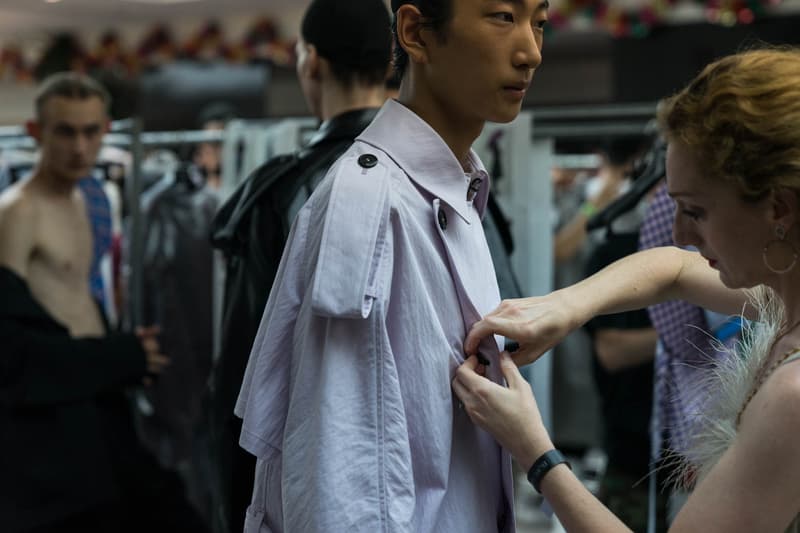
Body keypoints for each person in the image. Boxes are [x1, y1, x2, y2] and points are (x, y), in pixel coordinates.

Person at [455, 47, 800, 532]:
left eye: (696, 211)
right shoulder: (786, 295)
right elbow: (673, 270)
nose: (681, 234)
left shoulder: (793, 396)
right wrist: (565, 306)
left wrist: (534, 451)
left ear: (778, 209)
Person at [234, 0, 548, 531]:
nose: (531, 51)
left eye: (539, 23)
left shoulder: (453, 190)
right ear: (415, 32)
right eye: (502, 16)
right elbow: (346, 487)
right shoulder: (374, 205)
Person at [207, 1, 391, 532]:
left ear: (310, 62)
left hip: (304, 480)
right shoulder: (447, 180)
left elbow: (242, 386)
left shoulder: (281, 193)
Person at [0, 72, 204, 533]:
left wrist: (124, 353)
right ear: (37, 133)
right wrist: (118, 356)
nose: (79, 147)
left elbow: (78, 301)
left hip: (96, 400)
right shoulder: (17, 213)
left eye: (91, 132)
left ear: (106, 131)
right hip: (51, 421)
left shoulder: (88, 199)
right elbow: (10, 350)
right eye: (65, 131)